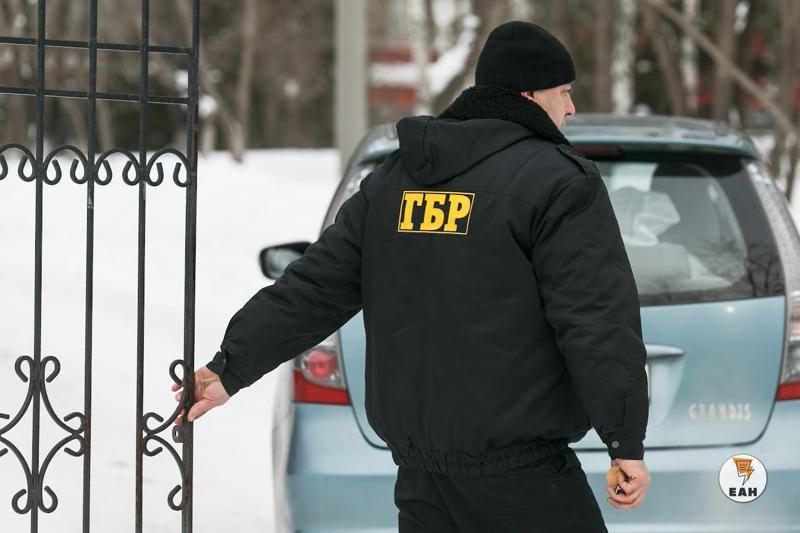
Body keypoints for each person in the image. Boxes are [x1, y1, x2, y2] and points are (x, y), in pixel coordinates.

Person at [172, 20, 651, 532]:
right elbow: (595, 319)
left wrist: (230, 368)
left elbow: (314, 287)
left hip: (424, 482)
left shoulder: (396, 180)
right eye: (564, 92)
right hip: (523, 480)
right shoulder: (558, 181)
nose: (571, 107)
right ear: (528, 94)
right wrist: (624, 441)